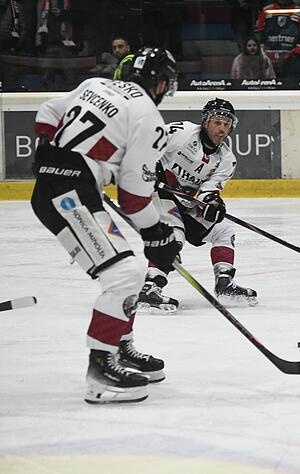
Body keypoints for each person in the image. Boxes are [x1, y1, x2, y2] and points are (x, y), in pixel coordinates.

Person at [30, 47, 180, 404]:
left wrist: (45, 151)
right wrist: (157, 232)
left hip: (61, 187)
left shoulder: (94, 83)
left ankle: (120, 346)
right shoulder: (148, 115)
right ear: (160, 83)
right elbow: (133, 198)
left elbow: (48, 110)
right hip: (69, 193)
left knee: (122, 270)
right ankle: (101, 369)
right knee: (125, 274)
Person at [137, 98, 258, 315]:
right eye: (217, 122)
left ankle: (224, 285)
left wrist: (213, 203)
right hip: (158, 193)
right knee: (175, 235)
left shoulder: (226, 160)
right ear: (205, 122)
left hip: (185, 202)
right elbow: (147, 143)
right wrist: (148, 166)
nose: (222, 128)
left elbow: (209, 191)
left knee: (223, 230)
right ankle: (150, 287)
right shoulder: (181, 132)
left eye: (226, 124)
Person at [255, 0, 300, 78]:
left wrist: (294, 54)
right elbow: (258, 33)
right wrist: (262, 52)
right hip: (268, 59)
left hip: (293, 59)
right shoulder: (267, 10)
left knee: (292, 86)